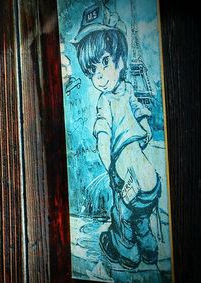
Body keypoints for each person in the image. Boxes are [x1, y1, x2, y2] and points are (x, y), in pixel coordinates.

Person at [71, 3, 161, 269]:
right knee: (141, 217)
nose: (99, 77)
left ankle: (128, 253)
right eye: (92, 72)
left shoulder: (105, 102)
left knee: (122, 216)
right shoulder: (128, 90)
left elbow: (103, 137)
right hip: (150, 183)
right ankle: (149, 247)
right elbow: (141, 115)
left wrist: (110, 168)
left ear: (120, 61)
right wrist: (144, 130)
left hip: (126, 177)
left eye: (105, 63)